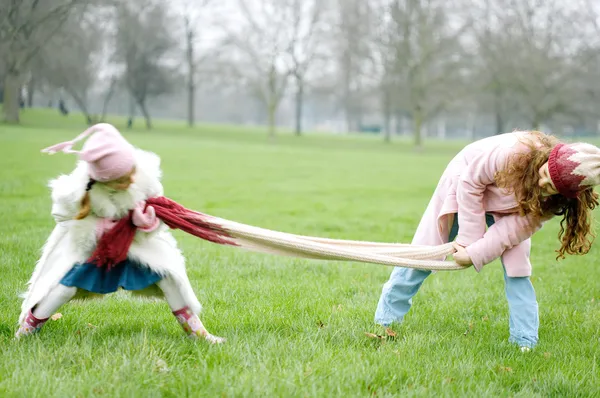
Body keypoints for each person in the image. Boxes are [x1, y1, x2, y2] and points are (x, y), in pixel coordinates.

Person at [375, 130, 600, 349]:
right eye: (543, 176)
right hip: (465, 183)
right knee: (424, 253)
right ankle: (386, 322)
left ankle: (525, 341)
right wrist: (467, 239)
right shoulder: (513, 152)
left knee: (518, 270)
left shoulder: (552, 203)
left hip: (515, 208)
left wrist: (473, 254)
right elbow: (470, 183)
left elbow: (510, 232)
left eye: (551, 187)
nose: (543, 185)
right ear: (547, 159)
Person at [16, 123, 225, 344]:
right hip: (95, 250)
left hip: (134, 246)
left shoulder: (144, 177)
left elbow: (158, 214)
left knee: (167, 278)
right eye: (121, 181)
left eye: (130, 174)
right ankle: (26, 332)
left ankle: (197, 334)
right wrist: (104, 228)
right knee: (64, 288)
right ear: (100, 180)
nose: (130, 182)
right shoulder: (75, 192)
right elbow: (64, 219)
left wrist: (146, 223)